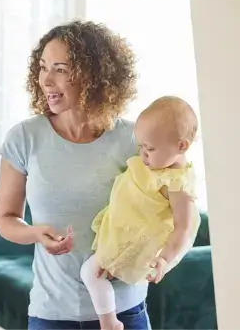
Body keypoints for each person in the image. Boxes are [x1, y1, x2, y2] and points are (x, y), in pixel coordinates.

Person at [0, 20, 151, 330]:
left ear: (94, 77)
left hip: (124, 312)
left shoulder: (133, 139)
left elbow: (163, 209)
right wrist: (35, 233)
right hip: (52, 314)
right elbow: (6, 219)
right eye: (42, 68)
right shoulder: (24, 137)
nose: (46, 80)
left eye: (61, 69)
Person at [80, 96, 201, 330]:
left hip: (133, 241)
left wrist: (164, 260)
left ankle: (109, 322)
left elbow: (184, 227)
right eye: (141, 147)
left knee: (90, 272)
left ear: (181, 146)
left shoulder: (176, 184)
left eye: (150, 148)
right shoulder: (158, 164)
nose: (143, 154)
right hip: (120, 229)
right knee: (94, 272)